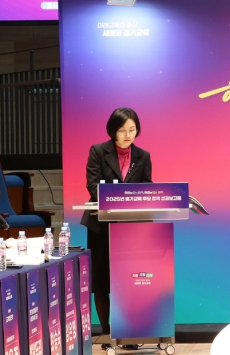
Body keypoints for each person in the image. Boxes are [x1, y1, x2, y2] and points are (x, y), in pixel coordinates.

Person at [83, 107, 152, 343]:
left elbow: (146, 189)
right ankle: (106, 332)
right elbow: (93, 186)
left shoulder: (143, 156)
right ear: (113, 130)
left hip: (131, 229)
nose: (128, 135)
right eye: (123, 130)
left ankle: (128, 333)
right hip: (101, 226)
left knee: (128, 280)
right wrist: (115, 201)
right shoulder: (98, 151)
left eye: (132, 130)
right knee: (102, 282)